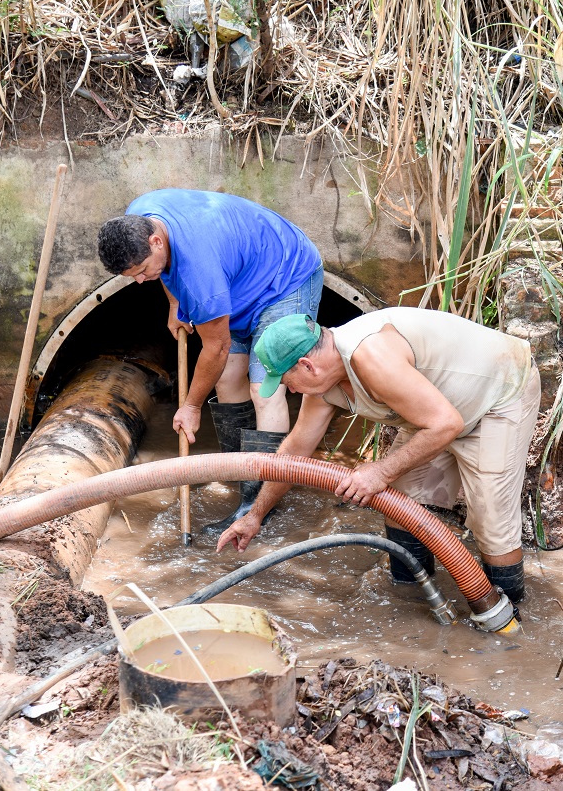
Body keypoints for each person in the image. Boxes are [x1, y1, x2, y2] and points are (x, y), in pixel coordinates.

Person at [216, 308, 541, 603]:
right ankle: (411, 600)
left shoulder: (372, 355)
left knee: (491, 520)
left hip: (498, 394)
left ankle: (506, 616)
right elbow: (294, 453)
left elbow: (446, 424)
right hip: (435, 410)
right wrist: (255, 515)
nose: (292, 390)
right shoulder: (323, 384)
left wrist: (380, 472)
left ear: (307, 365)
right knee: (398, 502)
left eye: (288, 382)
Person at [97, 188, 323, 531]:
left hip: (284, 277)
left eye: (142, 270)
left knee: (264, 388)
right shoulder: (140, 216)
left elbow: (216, 347)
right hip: (238, 279)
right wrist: (175, 303)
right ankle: (240, 475)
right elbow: (167, 271)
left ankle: (259, 504)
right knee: (228, 378)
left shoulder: (199, 274)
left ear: (156, 241)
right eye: (133, 276)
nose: (141, 281)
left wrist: (191, 406)